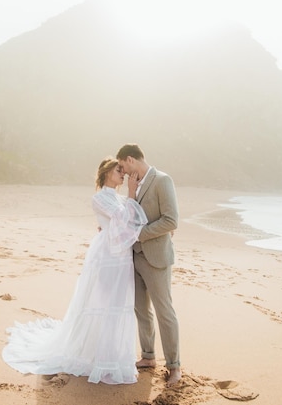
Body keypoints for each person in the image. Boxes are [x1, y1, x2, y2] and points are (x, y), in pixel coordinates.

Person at [2, 157, 147, 384]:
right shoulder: (99, 198)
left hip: (122, 256)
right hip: (107, 254)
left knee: (118, 303)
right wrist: (131, 192)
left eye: (123, 171)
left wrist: (129, 197)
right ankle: (93, 355)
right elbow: (122, 218)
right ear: (106, 172)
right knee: (101, 302)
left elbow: (128, 222)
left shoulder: (119, 198)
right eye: (118, 170)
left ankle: (112, 354)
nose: (123, 174)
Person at [116, 143, 182, 387]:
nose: (122, 173)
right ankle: (148, 356)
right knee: (141, 311)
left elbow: (171, 220)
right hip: (133, 258)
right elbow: (128, 217)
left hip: (156, 258)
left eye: (122, 167)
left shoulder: (163, 180)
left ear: (131, 160)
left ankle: (174, 366)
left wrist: (140, 234)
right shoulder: (133, 187)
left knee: (165, 312)